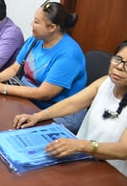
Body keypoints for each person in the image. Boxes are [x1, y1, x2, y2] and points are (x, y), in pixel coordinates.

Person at [13, 40, 127, 177]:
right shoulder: (106, 82)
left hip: (109, 174)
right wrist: (38, 116)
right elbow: (72, 103)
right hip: (80, 159)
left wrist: (81, 146)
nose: (120, 67)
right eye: (118, 59)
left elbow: (123, 150)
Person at [0, 0, 87, 133]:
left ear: (52, 27)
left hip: (58, 111)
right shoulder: (35, 40)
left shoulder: (69, 54)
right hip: (30, 99)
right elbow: (15, 68)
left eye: (36, 22)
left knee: (12, 129)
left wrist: (3, 88)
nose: (32, 24)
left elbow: (44, 94)